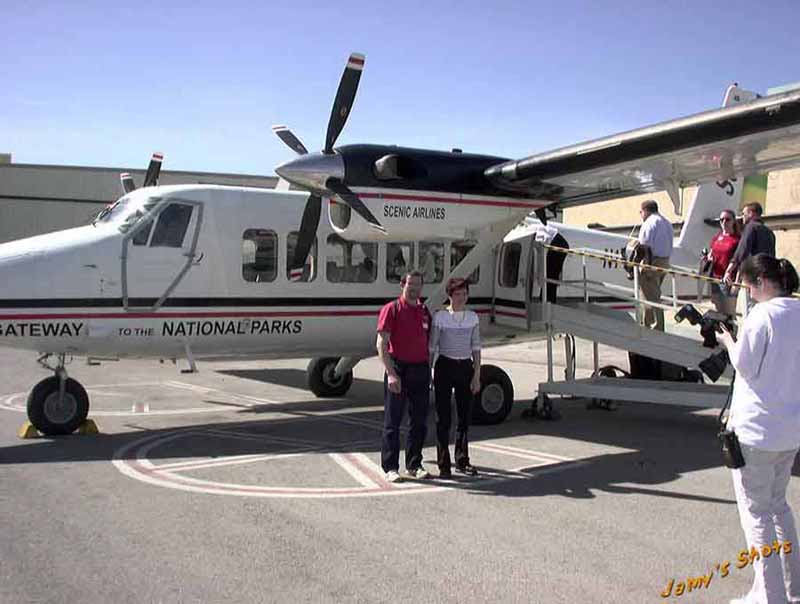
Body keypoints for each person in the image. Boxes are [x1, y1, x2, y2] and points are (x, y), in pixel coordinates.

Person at [717, 254, 800, 604]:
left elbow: (746, 367)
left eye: (749, 286)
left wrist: (728, 342)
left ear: (763, 282)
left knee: (757, 515)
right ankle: (792, 588)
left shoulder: (760, 315)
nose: (748, 294)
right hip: (790, 430)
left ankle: (769, 595)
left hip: (756, 432)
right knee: (779, 506)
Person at [376, 270, 432, 482]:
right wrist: (391, 374)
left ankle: (414, 464)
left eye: (418, 285)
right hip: (398, 368)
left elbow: (428, 342)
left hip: (420, 369)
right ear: (402, 285)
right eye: (411, 284)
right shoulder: (392, 309)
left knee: (419, 421)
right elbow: (381, 344)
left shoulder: (425, 311)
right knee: (393, 421)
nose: (414, 288)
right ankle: (390, 467)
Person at [429, 278, 481, 477]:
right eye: (457, 294)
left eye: (464, 294)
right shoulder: (440, 317)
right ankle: (444, 463)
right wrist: (429, 371)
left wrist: (477, 374)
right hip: (445, 365)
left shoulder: (472, 317)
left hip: (465, 366)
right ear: (450, 295)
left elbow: (476, 347)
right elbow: (432, 346)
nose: (461, 298)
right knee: (443, 417)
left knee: (464, 417)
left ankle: (462, 460)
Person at [636, 199, 673, 331]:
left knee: (649, 297)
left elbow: (644, 247)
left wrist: (643, 265)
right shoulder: (666, 222)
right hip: (664, 262)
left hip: (652, 262)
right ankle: (655, 325)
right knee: (655, 294)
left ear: (645, 210)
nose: (641, 215)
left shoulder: (649, 223)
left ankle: (653, 327)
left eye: (640, 212)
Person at [724, 201, 776, 288]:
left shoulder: (750, 227)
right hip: (766, 277)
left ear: (751, 213)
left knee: (747, 300)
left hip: (752, 276)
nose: (742, 217)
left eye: (744, 214)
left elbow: (742, 251)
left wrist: (729, 270)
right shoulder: (770, 233)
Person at [705, 209, 741, 316]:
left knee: (728, 312)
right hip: (714, 277)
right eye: (721, 220)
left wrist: (737, 282)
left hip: (728, 279)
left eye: (727, 219)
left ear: (733, 221)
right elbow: (711, 253)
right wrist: (708, 257)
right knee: (718, 309)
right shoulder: (717, 237)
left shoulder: (737, 239)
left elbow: (740, 261)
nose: (724, 222)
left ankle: (733, 331)